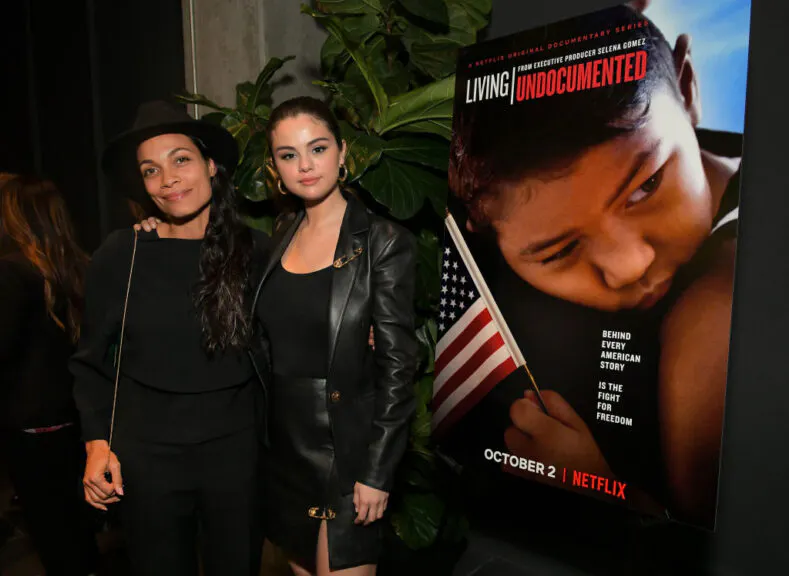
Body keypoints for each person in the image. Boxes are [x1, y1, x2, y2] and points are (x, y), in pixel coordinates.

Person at [448, 4, 739, 526]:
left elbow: (713, 551)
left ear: (690, 88)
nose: (629, 266)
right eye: (558, 251)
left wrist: (599, 492)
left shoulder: (715, 320)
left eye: (647, 184)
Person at [70, 101, 268, 576]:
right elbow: (89, 362)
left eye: (181, 159)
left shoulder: (256, 251)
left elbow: (294, 325)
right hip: (147, 457)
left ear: (210, 165)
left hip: (236, 454)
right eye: (151, 170)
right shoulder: (122, 254)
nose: (168, 179)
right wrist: (97, 445)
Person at [254, 96, 418, 575]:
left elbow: (397, 366)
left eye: (318, 148)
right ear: (275, 167)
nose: (305, 165)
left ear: (343, 153)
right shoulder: (279, 235)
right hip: (286, 453)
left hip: (346, 451)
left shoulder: (383, 242)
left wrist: (377, 471)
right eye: (288, 155)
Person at [0, 173, 98, 575]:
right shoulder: (81, 265)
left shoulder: (11, 272)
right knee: (77, 530)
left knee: (54, 537)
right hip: (73, 420)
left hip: (30, 427)